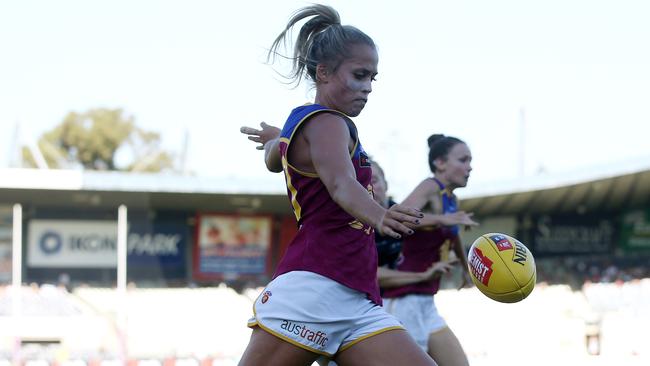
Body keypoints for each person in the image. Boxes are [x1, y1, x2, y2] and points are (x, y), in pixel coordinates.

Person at [238, 4, 435, 366]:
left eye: (373, 77)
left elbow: (273, 159)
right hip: (315, 288)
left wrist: (278, 141)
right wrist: (380, 215)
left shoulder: (309, 124)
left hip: (354, 297)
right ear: (324, 72)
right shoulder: (328, 122)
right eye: (360, 75)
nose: (368, 87)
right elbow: (341, 184)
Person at [381, 134, 478, 366]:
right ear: (440, 163)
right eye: (463, 160)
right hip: (404, 300)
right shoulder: (430, 186)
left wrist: (467, 270)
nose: (470, 167)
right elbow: (400, 215)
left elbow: (454, 237)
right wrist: (443, 219)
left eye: (470, 161)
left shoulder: (451, 199)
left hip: (426, 299)